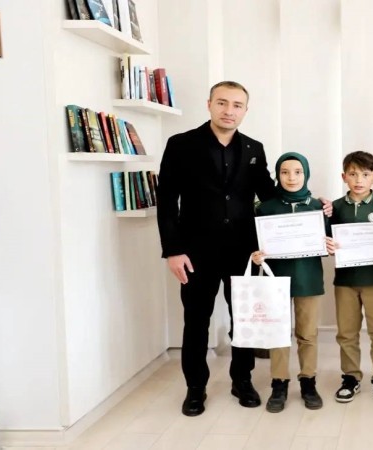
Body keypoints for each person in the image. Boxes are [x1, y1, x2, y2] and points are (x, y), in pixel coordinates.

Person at [156, 81, 274, 416]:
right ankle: (195, 388)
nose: (229, 111)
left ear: (246, 110)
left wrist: (310, 203)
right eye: (222, 103)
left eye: (237, 105)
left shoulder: (254, 148)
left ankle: (242, 380)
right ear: (209, 104)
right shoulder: (181, 144)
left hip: (244, 252)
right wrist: (173, 250)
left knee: (244, 320)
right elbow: (167, 200)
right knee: (196, 322)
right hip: (195, 252)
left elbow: (268, 195)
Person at [251, 152, 328, 413]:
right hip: (276, 280)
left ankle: (308, 381)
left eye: (297, 172)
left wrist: (330, 244)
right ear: (277, 175)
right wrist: (256, 255)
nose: (291, 177)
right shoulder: (265, 208)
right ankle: (279, 383)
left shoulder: (319, 208)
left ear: (306, 174)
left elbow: (329, 241)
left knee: (308, 334)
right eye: (285, 172)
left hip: (309, 279)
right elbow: (255, 244)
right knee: (278, 332)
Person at [326, 151, 373, 406]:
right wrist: (329, 245)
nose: (359, 180)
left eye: (365, 175)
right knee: (347, 332)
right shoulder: (334, 207)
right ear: (343, 176)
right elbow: (326, 240)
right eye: (353, 174)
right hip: (345, 281)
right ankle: (350, 377)